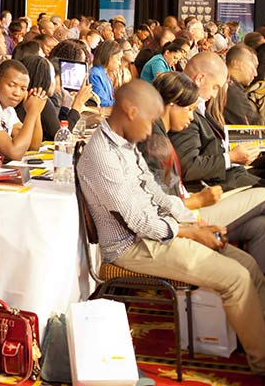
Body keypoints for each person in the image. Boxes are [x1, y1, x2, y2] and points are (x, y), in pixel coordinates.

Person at [76, 79, 265, 376]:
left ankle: (257, 338)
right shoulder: (102, 156)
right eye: (150, 119)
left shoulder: (124, 142)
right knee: (236, 278)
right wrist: (190, 232)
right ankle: (261, 362)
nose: (151, 131)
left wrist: (193, 221)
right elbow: (138, 222)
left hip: (158, 233)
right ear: (130, 111)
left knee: (248, 265)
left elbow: (155, 193)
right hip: (131, 247)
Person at [141, 71, 265, 271]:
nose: (191, 116)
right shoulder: (154, 142)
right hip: (181, 220)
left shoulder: (159, 135)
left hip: (186, 208)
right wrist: (198, 202)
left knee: (260, 226)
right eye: (189, 109)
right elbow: (161, 206)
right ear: (171, 104)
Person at [170, 52, 262, 191]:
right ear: (200, 79)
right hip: (218, 186)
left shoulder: (196, 107)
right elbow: (188, 167)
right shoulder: (184, 113)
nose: (214, 95)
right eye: (215, 87)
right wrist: (231, 157)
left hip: (230, 175)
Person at [223, 44, 260, 125]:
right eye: (254, 67)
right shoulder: (230, 90)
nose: (255, 74)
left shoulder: (228, 85)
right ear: (237, 63)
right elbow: (251, 124)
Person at [88, 40, 122, 108]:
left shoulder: (105, 74)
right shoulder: (95, 74)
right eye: (118, 59)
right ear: (109, 57)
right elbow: (102, 102)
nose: (120, 63)